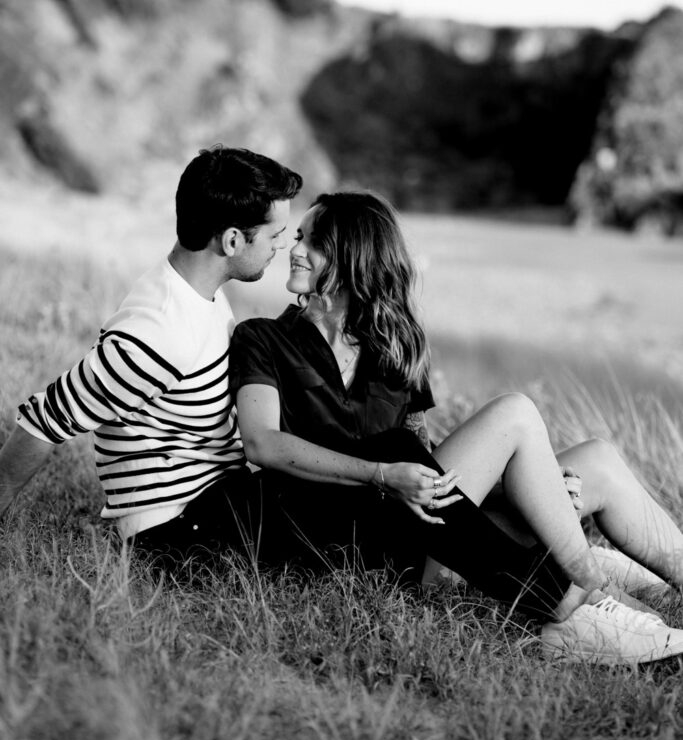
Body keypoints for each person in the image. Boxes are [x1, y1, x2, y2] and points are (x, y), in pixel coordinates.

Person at [229, 190, 683, 666]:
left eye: (312, 241)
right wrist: (380, 473)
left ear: (353, 255)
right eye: (297, 236)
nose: (294, 249)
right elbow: (264, 444)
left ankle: (621, 582)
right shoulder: (263, 339)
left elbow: (427, 463)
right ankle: (590, 596)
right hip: (357, 539)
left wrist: (534, 492)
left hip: (435, 531)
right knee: (515, 415)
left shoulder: (394, 344)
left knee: (598, 461)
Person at [0, 146, 304, 562]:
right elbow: (44, 420)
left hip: (218, 496)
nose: (283, 245)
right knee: (333, 504)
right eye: (275, 234)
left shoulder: (197, 295)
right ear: (233, 240)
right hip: (178, 530)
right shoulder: (162, 331)